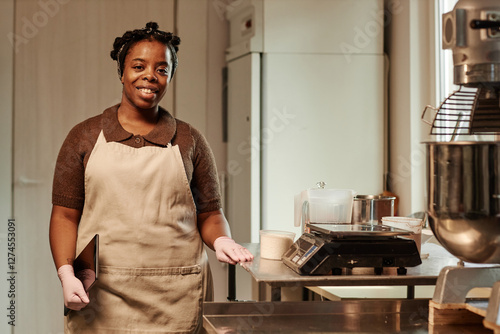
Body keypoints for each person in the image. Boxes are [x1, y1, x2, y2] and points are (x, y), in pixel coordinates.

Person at [49, 21, 253, 333]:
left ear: (171, 75)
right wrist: (66, 273)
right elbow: (64, 215)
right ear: (122, 71)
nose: (150, 76)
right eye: (139, 66)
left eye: (162, 68)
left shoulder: (189, 139)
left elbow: (210, 213)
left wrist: (221, 238)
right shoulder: (85, 136)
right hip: (104, 295)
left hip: (177, 296)